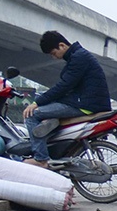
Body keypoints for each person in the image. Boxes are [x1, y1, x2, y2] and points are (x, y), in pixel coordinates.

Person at [24, 30, 110, 163]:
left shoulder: (78, 58)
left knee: (31, 115)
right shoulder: (79, 55)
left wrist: (36, 103)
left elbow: (64, 86)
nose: (54, 57)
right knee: (46, 107)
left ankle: (41, 159)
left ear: (62, 45)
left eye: (54, 53)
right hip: (85, 101)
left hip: (84, 104)